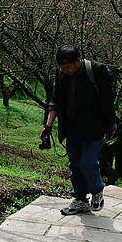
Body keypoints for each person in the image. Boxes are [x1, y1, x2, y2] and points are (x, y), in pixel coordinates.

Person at [40, 46, 116, 215]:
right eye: (62, 67)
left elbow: (107, 100)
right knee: (74, 165)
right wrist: (48, 126)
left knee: (88, 162)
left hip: (94, 127)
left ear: (78, 61)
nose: (66, 70)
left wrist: (111, 125)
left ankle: (97, 191)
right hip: (72, 127)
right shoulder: (62, 76)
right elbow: (55, 101)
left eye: (68, 67)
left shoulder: (95, 71)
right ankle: (80, 199)